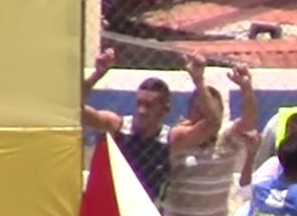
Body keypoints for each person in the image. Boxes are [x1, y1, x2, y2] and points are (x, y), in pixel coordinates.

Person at [164, 64, 261, 216]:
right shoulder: (179, 137)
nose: (206, 115)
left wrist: (246, 88)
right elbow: (208, 123)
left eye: (210, 109)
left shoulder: (226, 140)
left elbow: (248, 120)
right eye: (199, 109)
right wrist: (199, 81)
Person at [82, 50, 221, 205]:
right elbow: (75, 110)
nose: (142, 111)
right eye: (139, 104)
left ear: (165, 109)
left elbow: (213, 124)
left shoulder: (170, 138)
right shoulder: (118, 126)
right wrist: (97, 74)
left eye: (149, 106)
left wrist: (198, 80)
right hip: (112, 210)